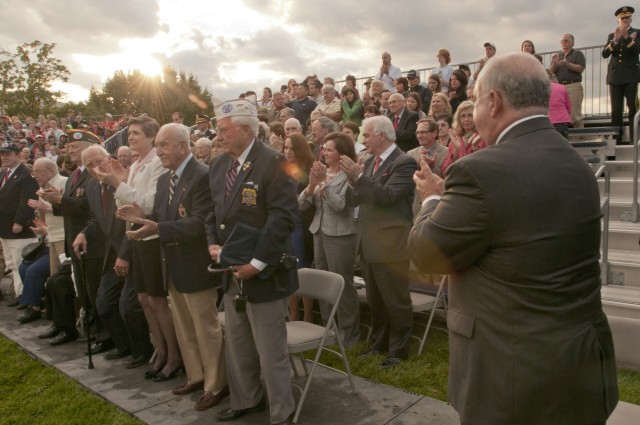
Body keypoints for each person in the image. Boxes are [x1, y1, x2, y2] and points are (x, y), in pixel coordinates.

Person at [409, 52, 618, 425]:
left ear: (493, 101)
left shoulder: (479, 172)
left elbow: (427, 256)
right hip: (580, 368)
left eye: (476, 99)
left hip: (512, 380)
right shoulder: (577, 164)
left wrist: (433, 199)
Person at [117, 123, 229, 411]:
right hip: (172, 265)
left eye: (165, 145)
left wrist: (158, 227)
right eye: (159, 145)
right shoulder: (167, 177)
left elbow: (200, 222)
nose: (160, 151)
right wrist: (142, 215)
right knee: (184, 325)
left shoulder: (202, 175)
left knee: (206, 328)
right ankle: (196, 375)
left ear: (183, 145)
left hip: (195, 266)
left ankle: (216, 384)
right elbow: (163, 215)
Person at [204, 96, 298, 425]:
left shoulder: (273, 162)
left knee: (271, 351)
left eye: (224, 129)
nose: (219, 135)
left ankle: (281, 412)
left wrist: (257, 264)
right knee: (239, 342)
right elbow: (212, 214)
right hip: (231, 271)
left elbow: (282, 219)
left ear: (244, 129)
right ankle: (246, 399)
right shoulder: (218, 165)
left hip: (264, 272)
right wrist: (213, 244)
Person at [340, 115, 418, 368]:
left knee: (395, 300)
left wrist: (360, 178)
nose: (363, 140)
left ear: (382, 135)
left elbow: (387, 197)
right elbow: (354, 200)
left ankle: (398, 351)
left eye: (367, 135)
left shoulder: (405, 162)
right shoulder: (370, 161)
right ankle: (378, 345)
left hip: (391, 242)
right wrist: (353, 180)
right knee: (375, 299)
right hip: (369, 242)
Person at [74, 145, 153, 367]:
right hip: (112, 253)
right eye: (89, 165)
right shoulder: (91, 186)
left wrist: (125, 255)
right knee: (104, 303)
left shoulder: (124, 180)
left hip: (134, 249)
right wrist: (83, 233)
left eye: (98, 161)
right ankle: (125, 345)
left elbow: (134, 219)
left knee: (129, 305)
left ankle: (143, 351)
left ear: (109, 159)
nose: (94, 168)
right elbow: (96, 219)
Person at [41, 130, 108, 351]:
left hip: (93, 240)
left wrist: (61, 200)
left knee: (93, 289)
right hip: (75, 239)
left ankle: (103, 335)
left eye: (75, 147)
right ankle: (89, 332)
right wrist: (55, 202)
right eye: (68, 147)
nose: (70, 150)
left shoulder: (94, 173)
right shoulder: (73, 175)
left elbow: (91, 208)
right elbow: (69, 208)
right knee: (83, 290)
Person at [298, 132, 361, 348]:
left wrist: (323, 184)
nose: (324, 152)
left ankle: (350, 334)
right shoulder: (321, 172)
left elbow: (340, 205)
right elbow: (301, 204)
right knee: (322, 281)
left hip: (341, 234)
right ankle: (327, 330)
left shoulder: (348, 175)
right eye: (323, 149)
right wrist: (310, 185)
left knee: (342, 283)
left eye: (329, 149)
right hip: (319, 231)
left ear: (341, 153)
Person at [17, 158, 67, 324]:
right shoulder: (43, 187)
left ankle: (66, 320)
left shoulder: (63, 182)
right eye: (33, 172)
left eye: (38, 172)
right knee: (54, 280)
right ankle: (57, 320)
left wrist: (47, 207)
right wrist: (42, 225)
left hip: (63, 237)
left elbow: (71, 208)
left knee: (63, 280)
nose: (34, 175)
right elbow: (47, 216)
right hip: (51, 236)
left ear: (51, 171)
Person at [0, 141, 39, 307]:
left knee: (19, 262)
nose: (4, 157)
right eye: (2, 154)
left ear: (18, 155)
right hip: (4, 227)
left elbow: (28, 200)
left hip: (18, 228)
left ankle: (25, 296)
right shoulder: (4, 172)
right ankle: (20, 293)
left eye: (8, 154)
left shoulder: (26, 174)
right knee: (11, 263)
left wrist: (19, 221)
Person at [283, 132, 315, 323]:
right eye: (285, 147)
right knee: (289, 270)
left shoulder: (309, 169)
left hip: (302, 223)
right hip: (286, 223)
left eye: (292, 148)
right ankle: (294, 315)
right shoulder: (282, 168)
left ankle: (309, 316)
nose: (288, 152)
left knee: (301, 270)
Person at [603, 6, 640, 143]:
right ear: (618, 20)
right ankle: (616, 138)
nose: (624, 20)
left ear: (631, 19)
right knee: (616, 109)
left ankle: (635, 137)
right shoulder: (612, 35)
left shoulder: (637, 32)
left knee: (632, 107)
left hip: (630, 75)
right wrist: (616, 41)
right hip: (615, 75)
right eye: (622, 18)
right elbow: (605, 54)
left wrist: (626, 37)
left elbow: (637, 50)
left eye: (627, 17)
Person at [441, 100, 487, 175]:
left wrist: (475, 148)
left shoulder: (484, 137)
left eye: (470, 115)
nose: (466, 119)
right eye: (463, 116)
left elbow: (485, 167)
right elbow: (445, 171)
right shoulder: (455, 139)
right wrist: (456, 150)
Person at [550, 34, 586, 128]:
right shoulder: (558, 55)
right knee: (561, 114)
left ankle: (579, 138)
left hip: (573, 85)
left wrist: (568, 64)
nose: (563, 42)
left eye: (566, 40)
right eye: (562, 41)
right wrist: (554, 63)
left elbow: (581, 68)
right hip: (560, 87)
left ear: (572, 43)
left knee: (575, 115)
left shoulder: (578, 54)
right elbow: (551, 72)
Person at [548, 71, 572, 138]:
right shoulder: (562, 87)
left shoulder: (540, 88)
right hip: (562, 121)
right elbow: (568, 107)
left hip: (547, 122)